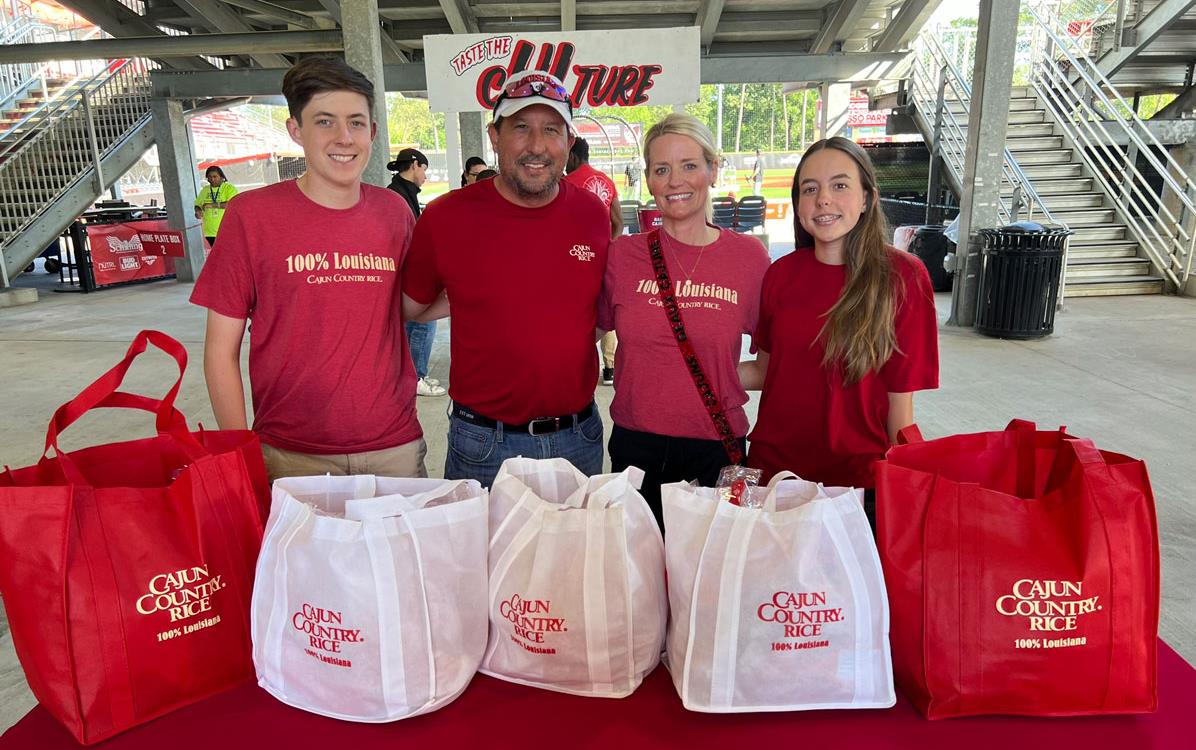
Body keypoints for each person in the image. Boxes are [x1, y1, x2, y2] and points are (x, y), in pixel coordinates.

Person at [190, 56, 427, 481]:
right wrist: (239, 451)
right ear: (295, 130)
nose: (344, 137)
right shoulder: (251, 215)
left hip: (395, 447)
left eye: (356, 122)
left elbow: (408, 306)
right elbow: (220, 351)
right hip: (290, 455)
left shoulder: (394, 212)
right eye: (324, 122)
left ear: (373, 131)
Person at [403, 70, 611, 487]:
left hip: (578, 437)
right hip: (483, 444)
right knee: (480, 555)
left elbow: (596, 313)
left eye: (551, 129)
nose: (536, 146)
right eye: (520, 128)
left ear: (568, 142)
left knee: (577, 554)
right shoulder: (447, 217)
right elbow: (410, 309)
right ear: (494, 136)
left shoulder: (591, 213)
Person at [740, 136, 939, 526]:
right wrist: (686, 367)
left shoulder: (903, 277)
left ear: (867, 197)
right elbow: (765, 372)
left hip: (854, 489)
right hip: (774, 480)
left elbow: (901, 412)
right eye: (809, 189)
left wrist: (913, 487)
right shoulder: (780, 275)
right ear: (798, 204)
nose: (823, 199)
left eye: (840, 185)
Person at [597, 113, 770, 527]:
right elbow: (586, 334)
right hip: (636, 445)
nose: (676, 181)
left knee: (721, 569)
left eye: (689, 165)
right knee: (638, 574)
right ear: (649, 180)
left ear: (712, 170)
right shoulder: (622, 256)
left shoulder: (749, 259)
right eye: (662, 169)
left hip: (721, 446)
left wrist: (715, 378)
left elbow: (768, 367)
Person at [387, 148, 446, 397]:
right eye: (424, 169)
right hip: (402, 274)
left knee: (416, 325)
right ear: (414, 165)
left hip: (406, 272)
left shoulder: (402, 193)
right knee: (424, 322)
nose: (425, 176)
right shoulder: (396, 197)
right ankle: (416, 376)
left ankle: (411, 374)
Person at [565, 137, 623, 385]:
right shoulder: (607, 182)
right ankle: (609, 366)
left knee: (580, 313)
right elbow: (619, 222)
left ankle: (575, 361)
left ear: (573, 156)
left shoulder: (566, 184)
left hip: (575, 262)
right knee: (606, 309)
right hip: (605, 258)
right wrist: (608, 247)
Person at [193, 165, 238, 248]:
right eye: (209, 177)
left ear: (221, 177)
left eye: (215, 176)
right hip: (209, 232)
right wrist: (198, 211)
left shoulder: (229, 188)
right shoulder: (205, 190)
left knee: (227, 256)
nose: (212, 179)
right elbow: (197, 204)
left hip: (226, 231)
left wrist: (212, 205)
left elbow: (232, 204)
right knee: (217, 257)